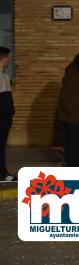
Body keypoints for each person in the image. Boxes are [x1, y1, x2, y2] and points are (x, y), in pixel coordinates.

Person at [0, 47, 16, 182]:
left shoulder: (5, 76)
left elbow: (7, 98)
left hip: (5, 118)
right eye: (7, 57)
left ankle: (3, 172)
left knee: (2, 146)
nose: (8, 60)